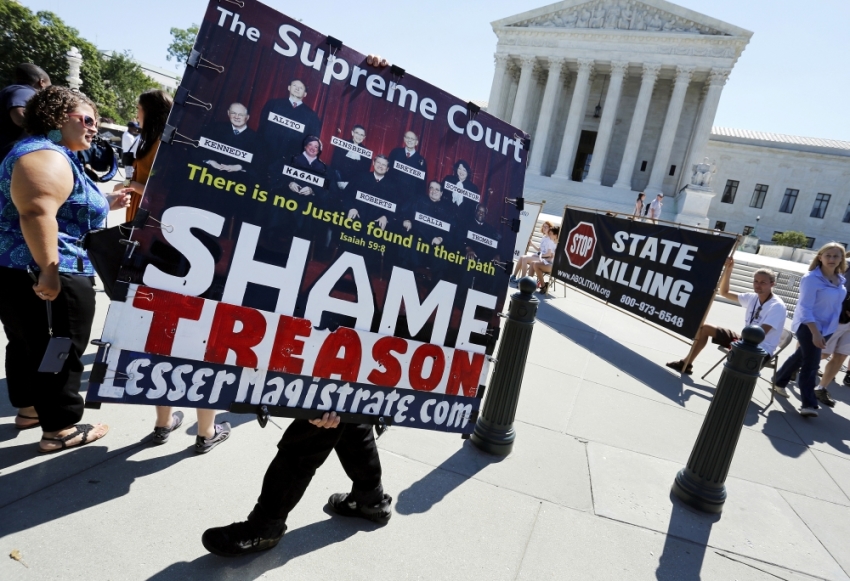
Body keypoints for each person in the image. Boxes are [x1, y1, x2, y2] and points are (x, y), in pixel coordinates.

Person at [201, 55, 392, 558]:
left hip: (361, 310)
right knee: (343, 413)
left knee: (320, 419)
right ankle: (370, 498)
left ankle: (266, 525)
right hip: (326, 294)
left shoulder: (357, 180)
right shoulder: (297, 163)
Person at [0, 86, 130, 451]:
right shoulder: (44, 155)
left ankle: (29, 411)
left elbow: (58, 203)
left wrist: (104, 201)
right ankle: (59, 429)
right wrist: (50, 269)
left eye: (97, 122)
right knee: (62, 345)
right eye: (86, 119)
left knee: (28, 343)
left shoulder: (51, 154)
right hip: (49, 269)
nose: (94, 128)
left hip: (16, 267)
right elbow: (37, 211)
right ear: (58, 118)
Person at [666, 257, 787, 375]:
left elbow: (759, 334)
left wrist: (738, 343)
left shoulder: (777, 306)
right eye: (756, 281)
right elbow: (724, 293)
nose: (758, 285)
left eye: (763, 282)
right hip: (745, 340)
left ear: (772, 284)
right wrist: (728, 269)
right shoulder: (752, 297)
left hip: (760, 349)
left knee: (735, 375)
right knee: (705, 328)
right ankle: (686, 363)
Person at [773, 243, 847, 416]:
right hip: (809, 326)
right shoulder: (811, 279)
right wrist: (815, 332)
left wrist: (828, 330)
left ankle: (779, 380)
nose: (831, 259)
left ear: (841, 259)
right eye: (828, 255)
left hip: (828, 328)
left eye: (836, 256)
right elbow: (805, 308)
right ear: (820, 257)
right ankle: (808, 403)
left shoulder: (840, 280)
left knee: (801, 357)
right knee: (812, 364)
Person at [114, 90, 173, 222]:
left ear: (150, 113)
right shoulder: (153, 142)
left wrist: (129, 185)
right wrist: (127, 184)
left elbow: (160, 193)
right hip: (139, 212)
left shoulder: (162, 146)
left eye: (138, 109)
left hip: (147, 217)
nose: (137, 115)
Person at [259, 80, 322, 168]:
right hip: (265, 153)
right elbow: (262, 128)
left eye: (301, 88)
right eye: (295, 85)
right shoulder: (273, 104)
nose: (297, 89)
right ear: (289, 87)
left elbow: (312, 140)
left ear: (305, 94)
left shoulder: (311, 116)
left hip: (290, 160)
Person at [814, 262, 850, 406]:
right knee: (823, 353)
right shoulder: (845, 266)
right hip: (840, 318)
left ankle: (821, 388)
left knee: (841, 355)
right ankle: (795, 364)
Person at [0, 63, 51, 159]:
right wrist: (45, 131)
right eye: (49, 86)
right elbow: (19, 115)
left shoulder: (9, 90)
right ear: (42, 82)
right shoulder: (25, 91)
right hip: (11, 154)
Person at [201, 102, 258, 177]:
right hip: (209, 173)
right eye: (233, 113)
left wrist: (239, 167)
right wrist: (210, 161)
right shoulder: (215, 128)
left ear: (247, 117)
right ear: (228, 113)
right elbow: (198, 149)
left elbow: (258, 164)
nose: (236, 117)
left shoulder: (257, 139)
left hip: (238, 181)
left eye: (241, 114)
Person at [330, 124, 371, 189]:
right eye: (357, 133)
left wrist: (351, 184)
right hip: (337, 181)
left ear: (364, 137)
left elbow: (364, 173)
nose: (359, 136)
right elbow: (335, 165)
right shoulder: (341, 144)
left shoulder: (367, 153)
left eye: (361, 135)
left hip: (354, 185)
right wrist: (339, 181)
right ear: (352, 133)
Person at [387, 131, 427, 198]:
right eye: (407, 137)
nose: (409, 140)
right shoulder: (395, 152)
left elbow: (421, 184)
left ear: (416, 142)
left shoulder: (421, 161)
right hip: (391, 193)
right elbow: (387, 171)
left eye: (412, 139)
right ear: (404, 139)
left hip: (409, 197)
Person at [532, 226, 560, 293]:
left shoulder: (559, 244)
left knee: (535, 264)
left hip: (555, 266)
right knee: (533, 263)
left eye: (551, 234)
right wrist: (543, 259)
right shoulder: (552, 243)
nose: (549, 235)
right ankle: (530, 284)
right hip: (549, 263)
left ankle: (543, 286)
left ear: (555, 235)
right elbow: (550, 257)